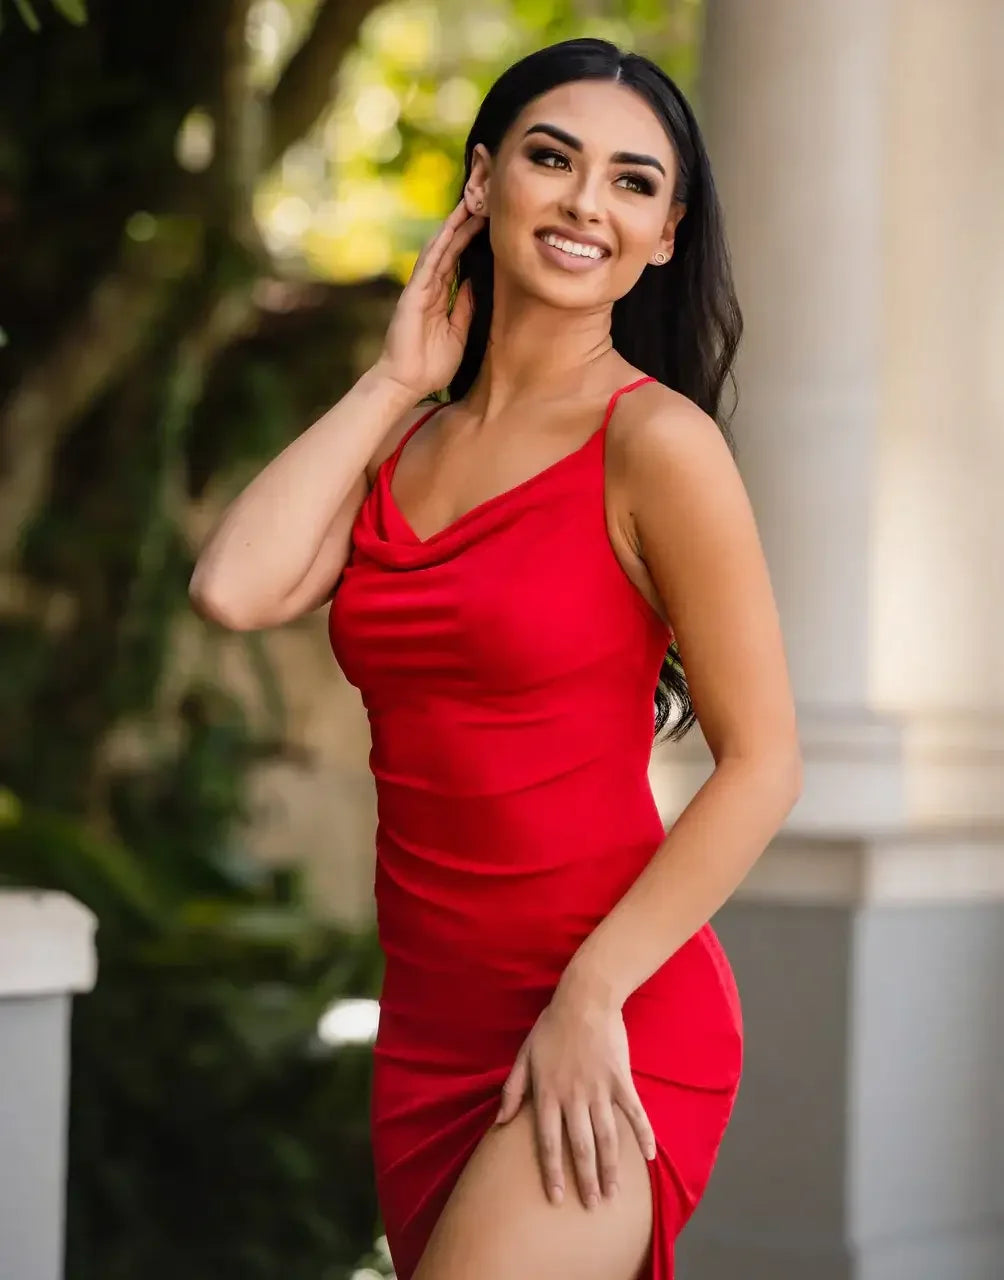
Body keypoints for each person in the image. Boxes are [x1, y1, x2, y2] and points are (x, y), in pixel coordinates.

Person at [189, 36, 801, 1280]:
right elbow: (231, 585)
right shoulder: (402, 441)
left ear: (666, 235)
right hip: (431, 1023)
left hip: (613, 1004)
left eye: (632, 183)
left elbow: (765, 761)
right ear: (483, 183)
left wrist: (589, 996)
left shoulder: (657, 443)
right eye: (550, 157)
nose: (585, 201)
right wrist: (390, 376)